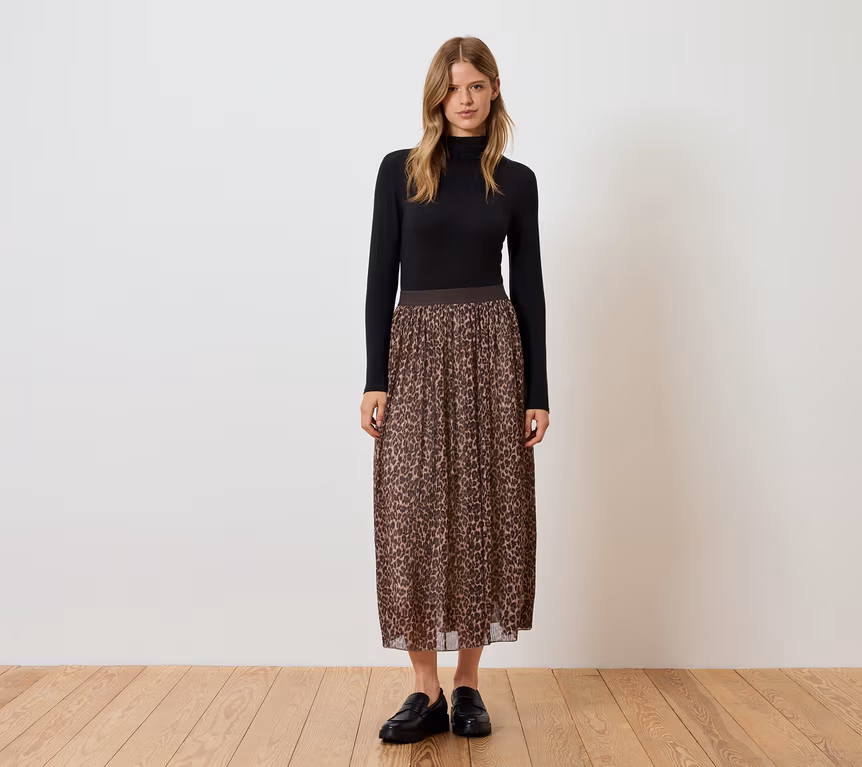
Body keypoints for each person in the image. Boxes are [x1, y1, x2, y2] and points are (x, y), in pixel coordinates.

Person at [360, 36, 550, 744]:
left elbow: (529, 287)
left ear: (494, 91)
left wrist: (537, 390)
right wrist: (375, 377)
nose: (464, 98)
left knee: (481, 509)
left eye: (476, 85)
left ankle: (467, 682)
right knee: (410, 511)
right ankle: (424, 687)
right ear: (436, 94)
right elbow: (380, 276)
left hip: (492, 350)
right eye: (453, 86)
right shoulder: (400, 170)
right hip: (414, 348)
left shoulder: (517, 181)